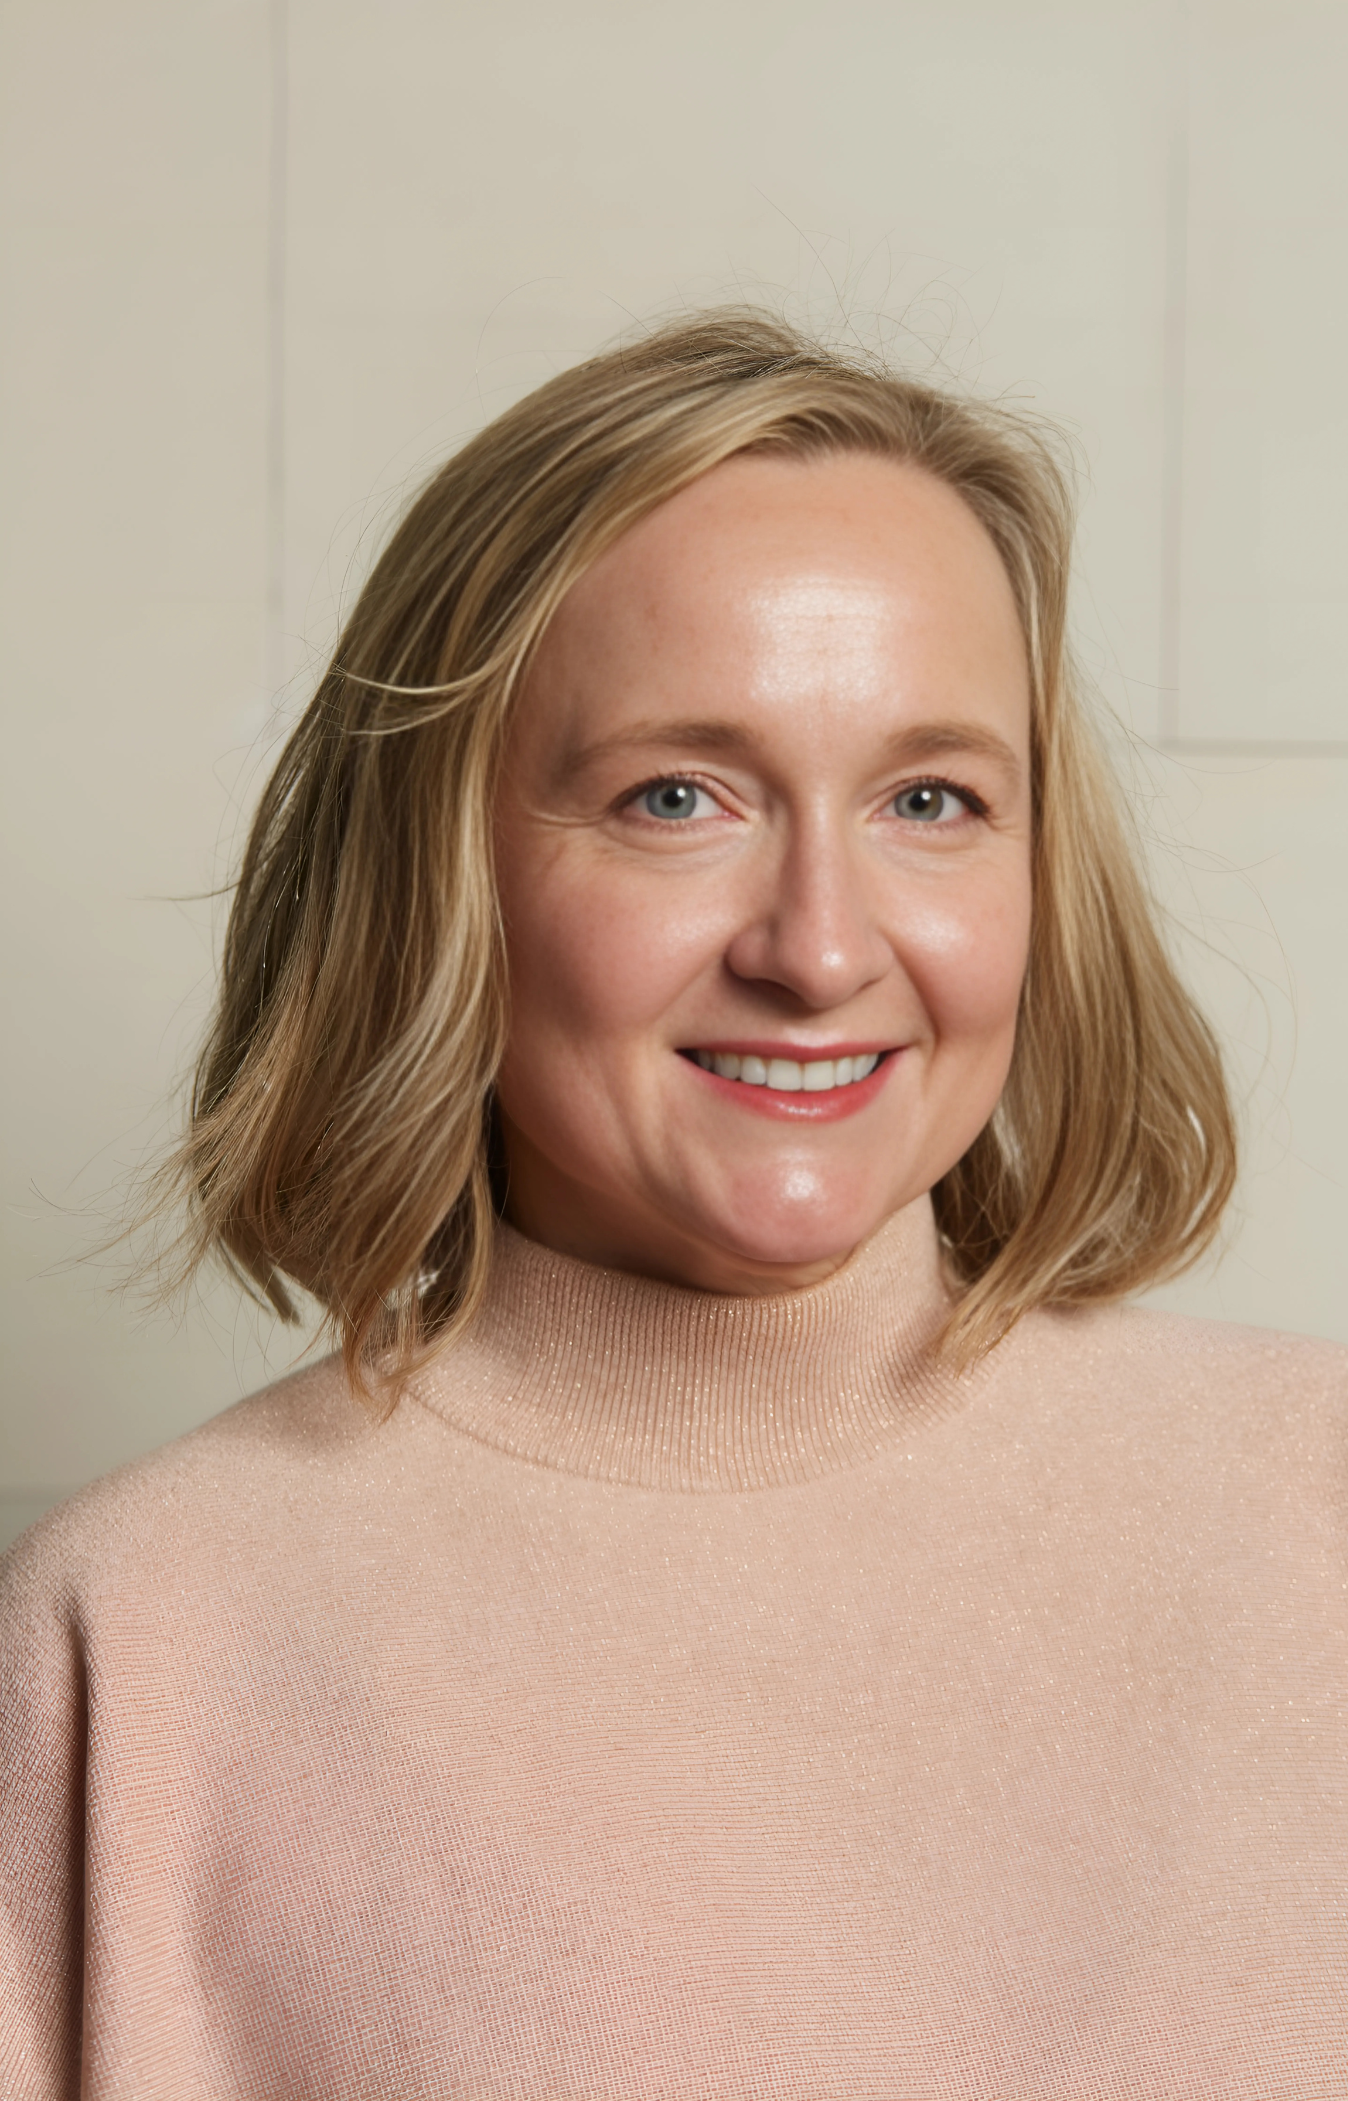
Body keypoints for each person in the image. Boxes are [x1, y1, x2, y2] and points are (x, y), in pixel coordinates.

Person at [2, 311, 1344, 2099]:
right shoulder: (144, 1641)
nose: (820, 946)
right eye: (675, 797)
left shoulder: (1319, 1506)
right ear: (444, 869)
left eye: (930, 797)